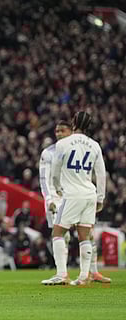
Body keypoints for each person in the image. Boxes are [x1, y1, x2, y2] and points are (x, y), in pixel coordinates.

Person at [41, 120, 111, 285]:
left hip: (70, 194)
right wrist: (100, 197)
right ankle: (80, 275)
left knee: (64, 234)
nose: (58, 134)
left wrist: (58, 189)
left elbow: (56, 173)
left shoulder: (65, 146)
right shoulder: (92, 145)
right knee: (79, 235)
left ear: (72, 129)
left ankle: (70, 274)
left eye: (62, 130)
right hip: (79, 195)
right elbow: (101, 175)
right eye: (56, 131)